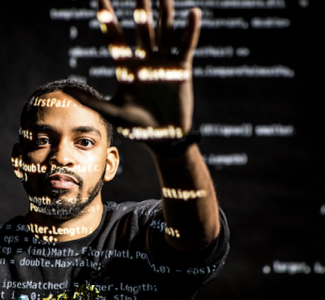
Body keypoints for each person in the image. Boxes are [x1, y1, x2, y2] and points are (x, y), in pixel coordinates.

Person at [0, 0, 230, 299]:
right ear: (19, 161)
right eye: (43, 141)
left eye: (84, 142)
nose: (61, 157)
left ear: (110, 164)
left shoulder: (140, 231)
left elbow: (197, 238)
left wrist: (172, 145)